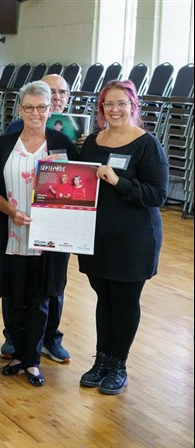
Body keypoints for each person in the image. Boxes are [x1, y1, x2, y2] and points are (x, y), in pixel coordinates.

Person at [77, 80, 168, 395]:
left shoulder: (146, 144)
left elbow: (158, 194)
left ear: (133, 107)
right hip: (97, 237)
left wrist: (118, 181)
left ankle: (118, 364)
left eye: (121, 104)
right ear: (101, 109)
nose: (114, 110)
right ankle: (101, 359)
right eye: (108, 104)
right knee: (104, 298)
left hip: (134, 240)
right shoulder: (93, 142)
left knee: (125, 301)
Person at [0, 81, 78, 387]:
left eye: (42, 107)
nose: (36, 113)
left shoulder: (62, 144)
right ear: (20, 109)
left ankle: (33, 360)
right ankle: (17, 353)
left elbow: (77, 187)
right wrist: (11, 212)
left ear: (51, 108)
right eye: (29, 107)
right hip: (12, 231)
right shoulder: (4, 144)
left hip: (48, 237)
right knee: (13, 296)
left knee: (40, 298)